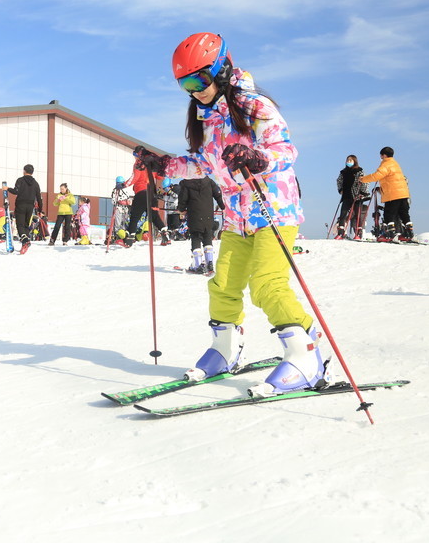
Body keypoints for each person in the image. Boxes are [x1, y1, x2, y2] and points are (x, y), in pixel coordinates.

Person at [137, 31, 328, 398]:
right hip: (237, 217)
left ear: (222, 68)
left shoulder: (254, 106)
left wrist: (258, 158)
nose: (195, 91)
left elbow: (285, 150)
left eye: (200, 80)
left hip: (273, 209)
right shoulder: (207, 117)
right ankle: (225, 350)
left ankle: (306, 354)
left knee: (267, 284)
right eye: (185, 85)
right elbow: (203, 163)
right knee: (222, 283)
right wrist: (163, 164)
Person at [360, 147, 411, 242]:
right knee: (404, 213)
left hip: (392, 194)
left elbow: (376, 176)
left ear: (383, 155)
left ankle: (389, 234)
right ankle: (408, 233)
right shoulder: (395, 164)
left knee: (389, 213)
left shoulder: (386, 164)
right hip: (403, 193)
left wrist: (363, 179)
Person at [177, 176, 226, 275]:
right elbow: (218, 194)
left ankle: (198, 265)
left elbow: (183, 199)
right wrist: (222, 206)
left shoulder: (186, 183)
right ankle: (210, 263)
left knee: (196, 237)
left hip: (194, 214)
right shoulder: (208, 181)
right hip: (208, 214)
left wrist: (181, 209)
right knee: (207, 235)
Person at [124, 147, 170, 246]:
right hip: (152, 194)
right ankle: (165, 234)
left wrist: (123, 185)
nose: (135, 158)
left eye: (135, 155)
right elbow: (160, 177)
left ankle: (129, 238)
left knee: (135, 216)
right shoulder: (152, 163)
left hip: (141, 192)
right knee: (154, 216)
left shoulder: (139, 163)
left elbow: (134, 178)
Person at [6, 164, 43, 252]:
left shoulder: (20, 180)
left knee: (20, 225)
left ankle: (25, 240)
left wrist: (7, 188)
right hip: (30, 206)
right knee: (26, 225)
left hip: (21, 205)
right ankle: (24, 245)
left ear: (24, 171)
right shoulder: (35, 183)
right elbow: (39, 198)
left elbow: (16, 191)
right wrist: (40, 210)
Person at [335, 155, 371, 240]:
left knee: (357, 215)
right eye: (347, 160)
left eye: (351, 160)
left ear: (355, 161)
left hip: (357, 196)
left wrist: (363, 192)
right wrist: (340, 189)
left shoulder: (359, 171)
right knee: (343, 214)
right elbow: (338, 180)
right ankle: (341, 233)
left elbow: (365, 181)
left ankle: (358, 233)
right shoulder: (343, 172)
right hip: (346, 196)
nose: (349, 162)